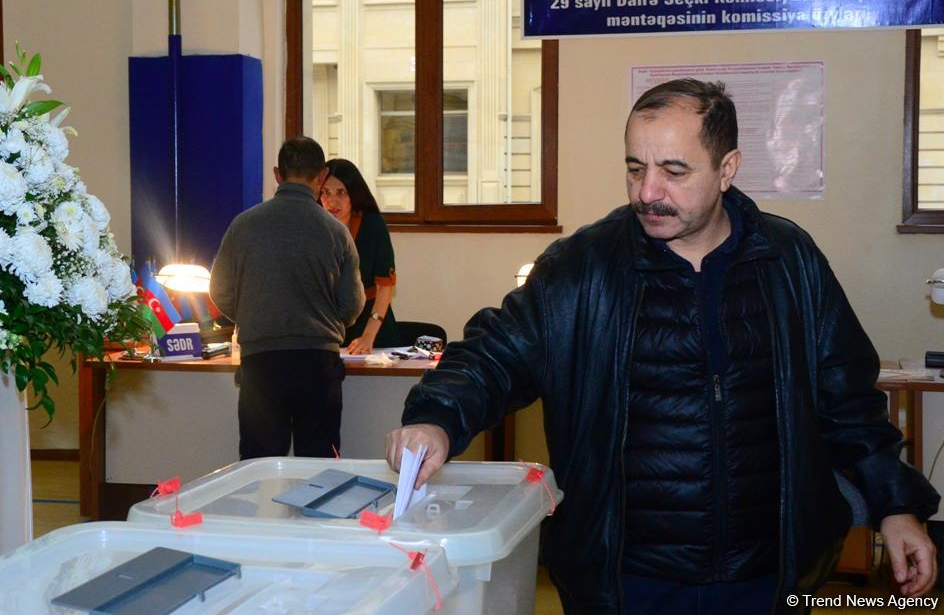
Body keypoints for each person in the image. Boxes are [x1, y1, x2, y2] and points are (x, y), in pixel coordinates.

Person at [386, 79, 940, 614]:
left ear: (727, 169)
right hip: (626, 582)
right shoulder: (582, 268)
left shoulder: (788, 261)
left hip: (768, 574)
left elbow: (847, 401)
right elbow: (493, 355)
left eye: (674, 171)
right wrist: (437, 416)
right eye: (635, 168)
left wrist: (896, 507)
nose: (648, 192)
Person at [210, 136, 364, 459]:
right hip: (318, 364)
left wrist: (254, 314)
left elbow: (219, 291)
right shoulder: (337, 233)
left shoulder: (243, 226)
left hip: (261, 364)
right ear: (321, 177)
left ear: (277, 175)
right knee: (319, 467)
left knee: (259, 466)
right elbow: (352, 304)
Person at [319, 158, 401, 353]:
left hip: (372, 325)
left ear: (354, 194)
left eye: (341, 192)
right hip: (329, 327)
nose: (332, 201)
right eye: (325, 192)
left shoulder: (373, 225)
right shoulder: (314, 227)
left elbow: (384, 287)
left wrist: (367, 336)